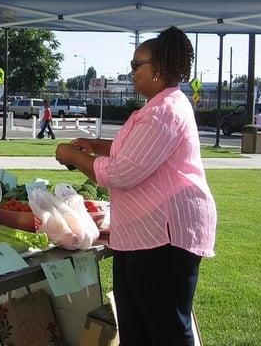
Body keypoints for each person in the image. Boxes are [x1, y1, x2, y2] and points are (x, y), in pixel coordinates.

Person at [55, 27, 216, 346]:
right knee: (135, 328)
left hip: (164, 238)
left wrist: (72, 154)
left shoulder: (164, 111)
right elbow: (133, 150)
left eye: (135, 65)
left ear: (157, 70)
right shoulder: (157, 107)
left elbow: (123, 172)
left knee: (166, 328)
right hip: (142, 236)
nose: (130, 72)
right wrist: (96, 145)